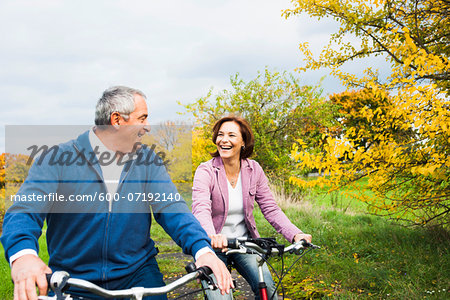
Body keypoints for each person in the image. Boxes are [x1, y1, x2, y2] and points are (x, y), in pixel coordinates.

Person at [1, 86, 233, 300]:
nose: (148, 126)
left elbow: (172, 208)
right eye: (142, 118)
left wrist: (202, 249)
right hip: (73, 279)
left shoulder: (148, 160)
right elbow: (24, 210)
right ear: (117, 121)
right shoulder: (55, 159)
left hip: (138, 274)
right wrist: (23, 256)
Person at [192, 115, 312, 300]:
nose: (224, 140)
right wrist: (211, 236)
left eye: (231, 135)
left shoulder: (254, 170)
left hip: (244, 244)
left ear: (243, 142)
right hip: (213, 245)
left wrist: (296, 234)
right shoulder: (206, 170)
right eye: (220, 135)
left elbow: (270, 208)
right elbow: (201, 208)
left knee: (268, 291)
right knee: (221, 296)